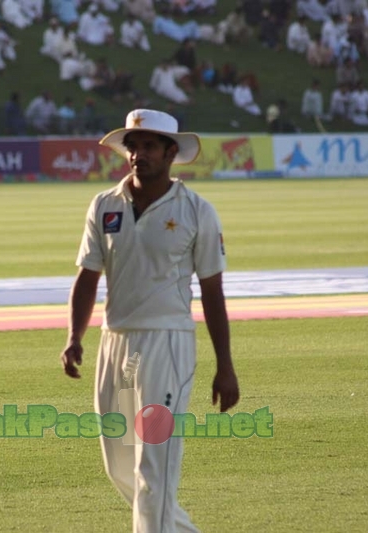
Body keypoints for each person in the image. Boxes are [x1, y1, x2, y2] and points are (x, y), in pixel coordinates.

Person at [60, 108, 240, 533]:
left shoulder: (197, 211)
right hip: (114, 342)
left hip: (168, 344)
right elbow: (87, 277)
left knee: (154, 470)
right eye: (133, 146)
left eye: (149, 146)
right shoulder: (105, 204)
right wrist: (74, 337)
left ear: (171, 152)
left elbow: (213, 293)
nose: (138, 154)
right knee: (121, 467)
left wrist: (225, 366)